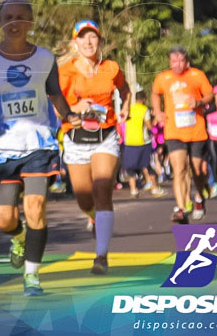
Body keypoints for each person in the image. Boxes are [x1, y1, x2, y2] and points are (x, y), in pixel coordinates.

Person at [0, 0, 80, 296]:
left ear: (30, 23)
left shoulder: (44, 59)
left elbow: (55, 95)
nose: (14, 22)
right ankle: (18, 238)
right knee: (6, 219)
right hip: (2, 149)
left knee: (36, 207)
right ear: (1, 22)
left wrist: (69, 116)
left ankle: (32, 277)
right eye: (8, 17)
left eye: (21, 17)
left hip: (39, 146)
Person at [57, 20, 129, 275]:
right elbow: (56, 102)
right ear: (75, 42)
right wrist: (73, 109)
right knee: (84, 197)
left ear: (100, 40)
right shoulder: (66, 71)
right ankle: (92, 215)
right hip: (76, 138)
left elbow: (124, 88)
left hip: (105, 135)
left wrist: (125, 107)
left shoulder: (111, 68)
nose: (88, 42)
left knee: (102, 189)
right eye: (83, 38)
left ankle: (101, 255)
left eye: (93, 37)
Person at [151, 46, 213, 223]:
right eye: (173, 61)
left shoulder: (197, 75)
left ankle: (199, 197)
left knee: (197, 170)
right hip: (174, 130)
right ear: (170, 62)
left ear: (187, 61)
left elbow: (210, 93)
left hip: (196, 131)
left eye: (181, 61)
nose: (177, 64)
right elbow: (155, 94)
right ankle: (180, 208)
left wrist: (199, 101)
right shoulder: (163, 78)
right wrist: (158, 111)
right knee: (179, 168)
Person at [122, 90, 164, 198]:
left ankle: (133, 190)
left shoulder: (129, 109)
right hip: (143, 141)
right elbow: (149, 126)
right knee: (146, 165)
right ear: (144, 99)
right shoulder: (144, 110)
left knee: (130, 167)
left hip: (129, 141)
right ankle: (155, 188)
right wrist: (154, 124)